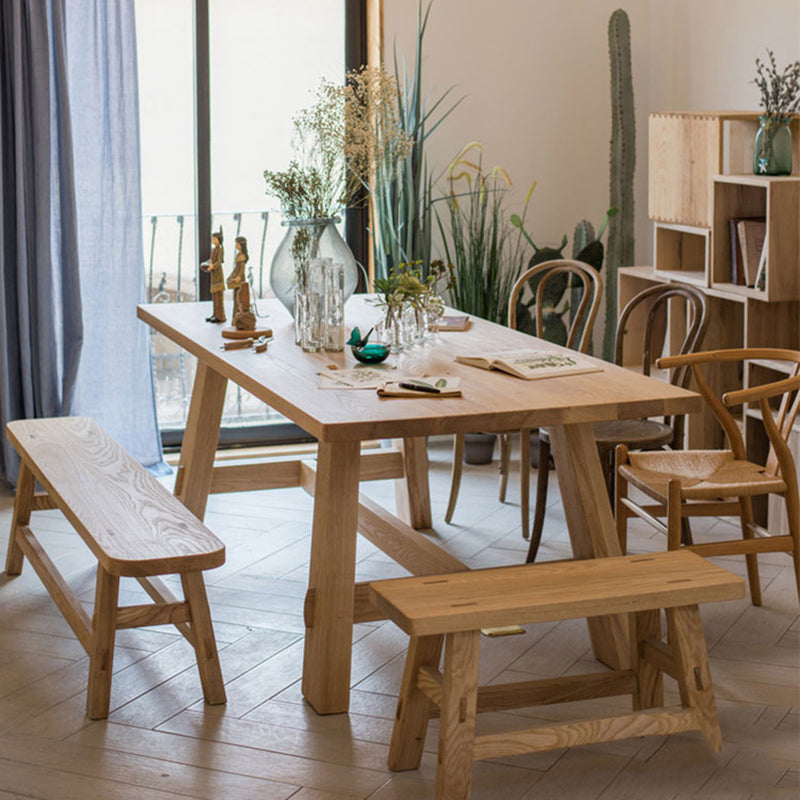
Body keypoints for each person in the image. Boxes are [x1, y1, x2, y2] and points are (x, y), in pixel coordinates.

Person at [201, 228, 225, 323]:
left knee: (219, 296)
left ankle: (220, 316)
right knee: (215, 297)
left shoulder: (220, 250)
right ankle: (215, 314)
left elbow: (218, 262)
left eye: (214, 239)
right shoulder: (214, 249)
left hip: (218, 274)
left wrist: (212, 266)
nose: (212, 241)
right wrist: (206, 263)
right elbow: (212, 260)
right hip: (214, 274)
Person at [227, 236, 248, 319]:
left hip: (240, 279)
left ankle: (238, 315)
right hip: (237, 277)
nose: (236, 245)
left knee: (239, 298)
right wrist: (231, 276)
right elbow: (237, 268)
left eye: (237, 244)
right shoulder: (239, 254)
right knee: (236, 298)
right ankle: (236, 316)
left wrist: (239, 276)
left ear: (240, 245)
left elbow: (242, 268)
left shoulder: (241, 256)